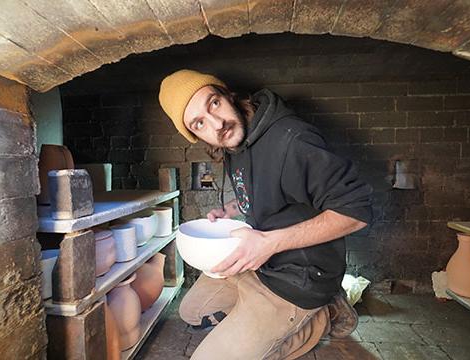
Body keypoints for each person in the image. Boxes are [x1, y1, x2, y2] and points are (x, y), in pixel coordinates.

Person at [158, 69, 373, 359]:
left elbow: (356, 211)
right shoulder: (235, 141)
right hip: (261, 264)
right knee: (192, 311)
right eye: (200, 123)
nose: (217, 124)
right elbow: (267, 192)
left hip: (299, 278)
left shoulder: (291, 140)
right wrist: (231, 211)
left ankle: (323, 315)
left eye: (214, 103)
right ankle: (256, 317)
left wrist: (269, 243)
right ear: (196, 134)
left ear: (227, 95)